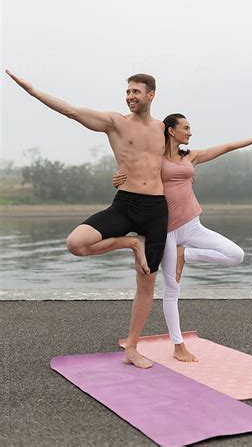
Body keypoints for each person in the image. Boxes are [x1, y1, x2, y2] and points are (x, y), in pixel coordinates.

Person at [5, 69, 167, 369]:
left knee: (146, 282)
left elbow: (181, 161)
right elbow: (71, 111)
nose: (130, 96)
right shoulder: (114, 123)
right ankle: (130, 244)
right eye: (128, 91)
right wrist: (32, 90)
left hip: (157, 209)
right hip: (125, 204)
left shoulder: (163, 129)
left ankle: (132, 347)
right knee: (76, 243)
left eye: (136, 92)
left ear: (151, 94)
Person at [113, 113, 252, 362]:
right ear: (171, 131)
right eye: (186, 128)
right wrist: (117, 178)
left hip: (193, 225)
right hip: (165, 230)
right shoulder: (154, 159)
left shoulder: (190, 156)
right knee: (172, 290)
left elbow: (225, 148)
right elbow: (131, 175)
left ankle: (185, 254)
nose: (190, 132)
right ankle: (178, 346)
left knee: (236, 255)